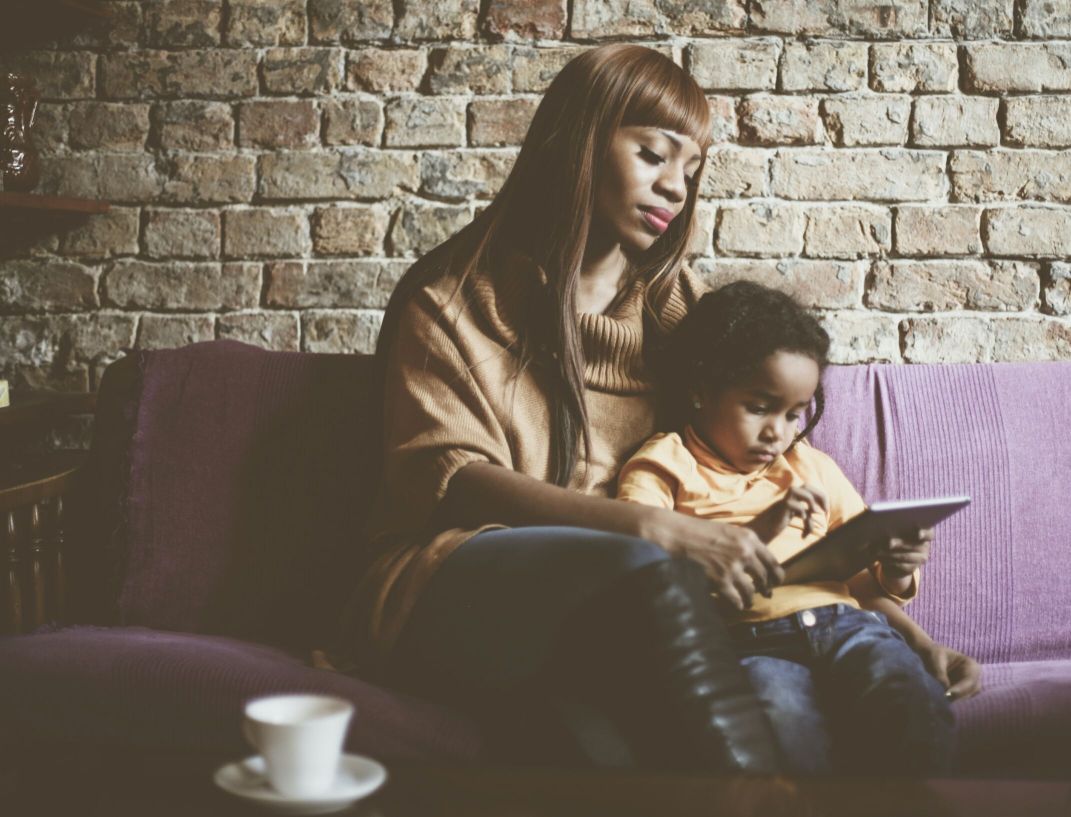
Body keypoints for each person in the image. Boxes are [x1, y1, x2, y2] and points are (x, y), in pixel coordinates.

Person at [324, 43, 788, 773]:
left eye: (691, 169)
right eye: (653, 154)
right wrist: (656, 530)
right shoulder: (449, 301)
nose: (675, 187)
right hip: (445, 585)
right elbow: (458, 482)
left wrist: (885, 604)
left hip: (608, 617)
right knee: (646, 573)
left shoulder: (682, 315)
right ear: (580, 143)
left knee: (601, 748)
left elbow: (757, 452)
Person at [615, 280, 982, 775]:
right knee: (783, 724)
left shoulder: (810, 466)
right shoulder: (665, 465)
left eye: (794, 414)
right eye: (759, 407)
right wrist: (761, 530)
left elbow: (864, 586)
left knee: (910, 701)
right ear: (700, 391)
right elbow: (649, 577)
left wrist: (899, 581)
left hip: (850, 625)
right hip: (751, 640)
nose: (778, 433)